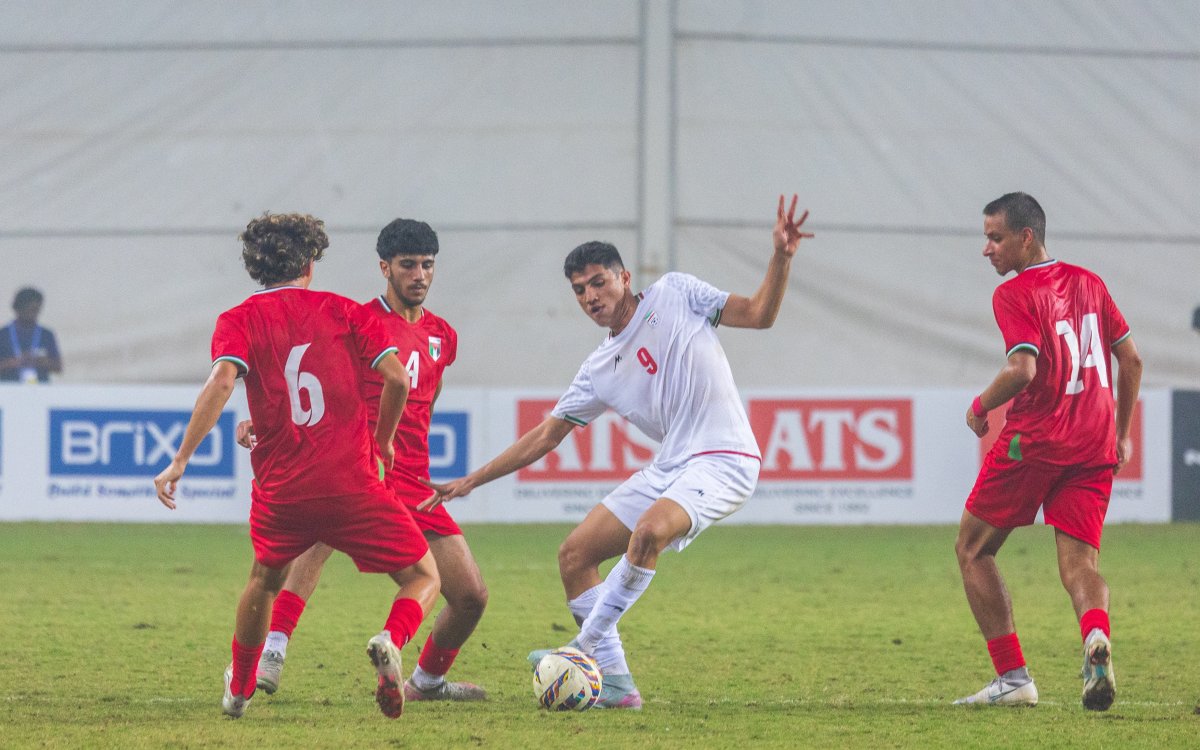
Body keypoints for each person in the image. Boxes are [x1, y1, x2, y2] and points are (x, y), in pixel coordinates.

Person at [425, 195, 812, 708]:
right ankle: (618, 684)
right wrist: (472, 480)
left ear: (625, 277)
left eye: (598, 281)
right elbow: (546, 436)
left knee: (649, 531)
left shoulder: (675, 292)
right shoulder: (599, 368)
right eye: (579, 290)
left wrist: (781, 258)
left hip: (727, 459)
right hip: (672, 466)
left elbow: (760, 315)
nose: (589, 295)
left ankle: (579, 651)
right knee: (575, 555)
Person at [153, 213, 440, 720]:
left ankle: (239, 688)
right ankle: (389, 639)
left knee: (263, 581)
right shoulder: (346, 311)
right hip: (352, 485)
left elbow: (222, 383)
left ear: (256, 266)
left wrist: (180, 460)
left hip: (281, 492)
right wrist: (384, 442)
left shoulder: (238, 319)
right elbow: (396, 380)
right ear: (311, 261)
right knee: (422, 576)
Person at [244, 218, 489, 703]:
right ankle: (272, 650)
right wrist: (265, 422)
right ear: (385, 268)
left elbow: (428, 398)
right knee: (313, 544)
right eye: (408, 265)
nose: (419, 274)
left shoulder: (443, 336)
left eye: (427, 265)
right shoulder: (356, 320)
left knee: (470, 596)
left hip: (414, 479)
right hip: (360, 465)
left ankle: (425, 681)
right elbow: (306, 379)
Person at [953, 192, 1142, 711]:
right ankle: (1095, 638)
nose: (986, 249)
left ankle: (1013, 678)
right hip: (1095, 442)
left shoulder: (1014, 294)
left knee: (973, 548)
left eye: (995, 238)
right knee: (1080, 564)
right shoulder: (1091, 283)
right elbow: (1131, 362)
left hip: (1036, 441)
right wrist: (1122, 434)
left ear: (1025, 237)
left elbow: (1022, 370)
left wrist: (979, 406)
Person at [0, 287, 62, 383]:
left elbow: (58, 367)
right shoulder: (3, 335)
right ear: (19, 308)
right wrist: (14, 362)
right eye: (31, 310)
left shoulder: (46, 335)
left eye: (37, 310)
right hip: (9, 389)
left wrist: (38, 361)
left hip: (39, 389)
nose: (34, 314)